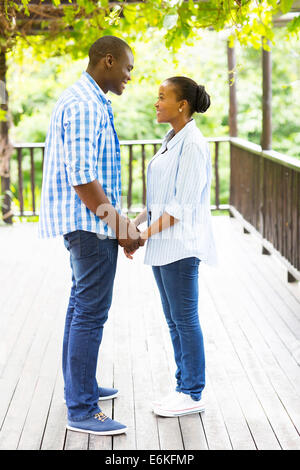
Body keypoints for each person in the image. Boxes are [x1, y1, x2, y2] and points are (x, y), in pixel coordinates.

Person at [38, 36, 143, 436]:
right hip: (90, 228)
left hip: (90, 225)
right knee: (90, 312)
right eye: (128, 68)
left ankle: (79, 384)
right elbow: (82, 177)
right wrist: (120, 227)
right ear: (108, 60)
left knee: (80, 306)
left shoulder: (88, 98)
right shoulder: (83, 104)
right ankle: (81, 408)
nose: (130, 76)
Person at [126, 76, 217, 417]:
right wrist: (133, 225)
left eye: (162, 97)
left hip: (180, 246)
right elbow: (159, 200)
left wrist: (143, 234)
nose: (156, 102)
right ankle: (183, 386)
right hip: (163, 246)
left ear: (182, 105)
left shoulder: (193, 144)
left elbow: (181, 206)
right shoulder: (172, 138)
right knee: (173, 320)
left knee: (185, 320)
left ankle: (193, 393)